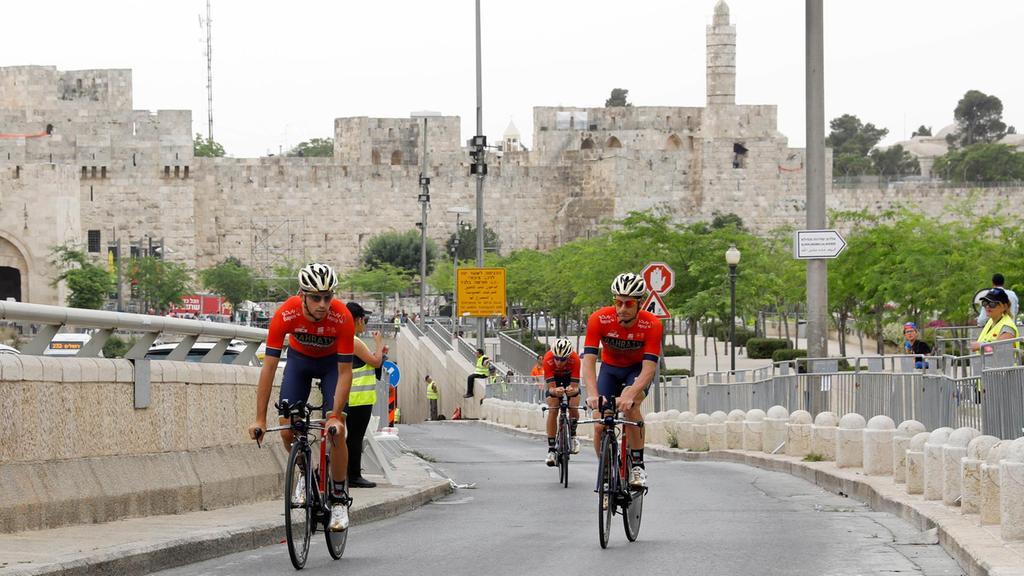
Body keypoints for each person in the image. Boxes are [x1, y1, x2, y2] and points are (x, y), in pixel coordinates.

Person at [248, 263, 354, 532]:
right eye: (316, 298)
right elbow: (269, 368)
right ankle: (305, 473)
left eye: (328, 297)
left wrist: (335, 415)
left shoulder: (341, 317)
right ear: (302, 295)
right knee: (287, 429)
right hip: (300, 363)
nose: (322, 304)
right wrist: (260, 418)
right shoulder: (287, 313)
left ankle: (339, 499)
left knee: (336, 432)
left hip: (332, 367)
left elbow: (344, 373)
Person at [582, 272, 663, 489]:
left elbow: (649, 367)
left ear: (639, 304)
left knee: (631, 407)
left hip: (636, 371)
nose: (622, 308)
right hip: (610, 370)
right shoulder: (598, 319)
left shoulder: (652, 324)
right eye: (618, 302)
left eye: (628, 304)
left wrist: (630, 393)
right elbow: (589, 361)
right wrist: (592, 393)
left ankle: (637, 464)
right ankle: (606, 468)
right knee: (600, 424)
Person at [345, 302, 385, 489]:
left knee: (346, 437)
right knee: (355, 438)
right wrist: (378, 343)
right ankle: (353, 475)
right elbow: (376, 363)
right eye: (364, 320)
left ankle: (344, 474)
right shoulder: (354, 341)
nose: (364, 324)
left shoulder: (341, 338)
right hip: (358, 398)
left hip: (347, 397)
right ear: (358, 320)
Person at [544, 338, 582, 466]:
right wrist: (555, 391)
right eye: (557, 358)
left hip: (568, 379)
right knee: (553, 408)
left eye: (563, 359)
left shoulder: (575, 359)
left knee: (573, 406)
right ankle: (551, 449)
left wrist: (572, 390)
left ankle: (573, 435)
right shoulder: (548, 359)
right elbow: (551, 387)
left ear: (568, 356)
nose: (559, 362)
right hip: (554, 380)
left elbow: (574, 386)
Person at [970, 288, 1019, 354]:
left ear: (1004, 306)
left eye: (992, 304)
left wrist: (980, 346)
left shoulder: (1007, 327)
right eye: (984, 303)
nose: (987, 306)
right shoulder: (991, 321)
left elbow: (1002, 352)